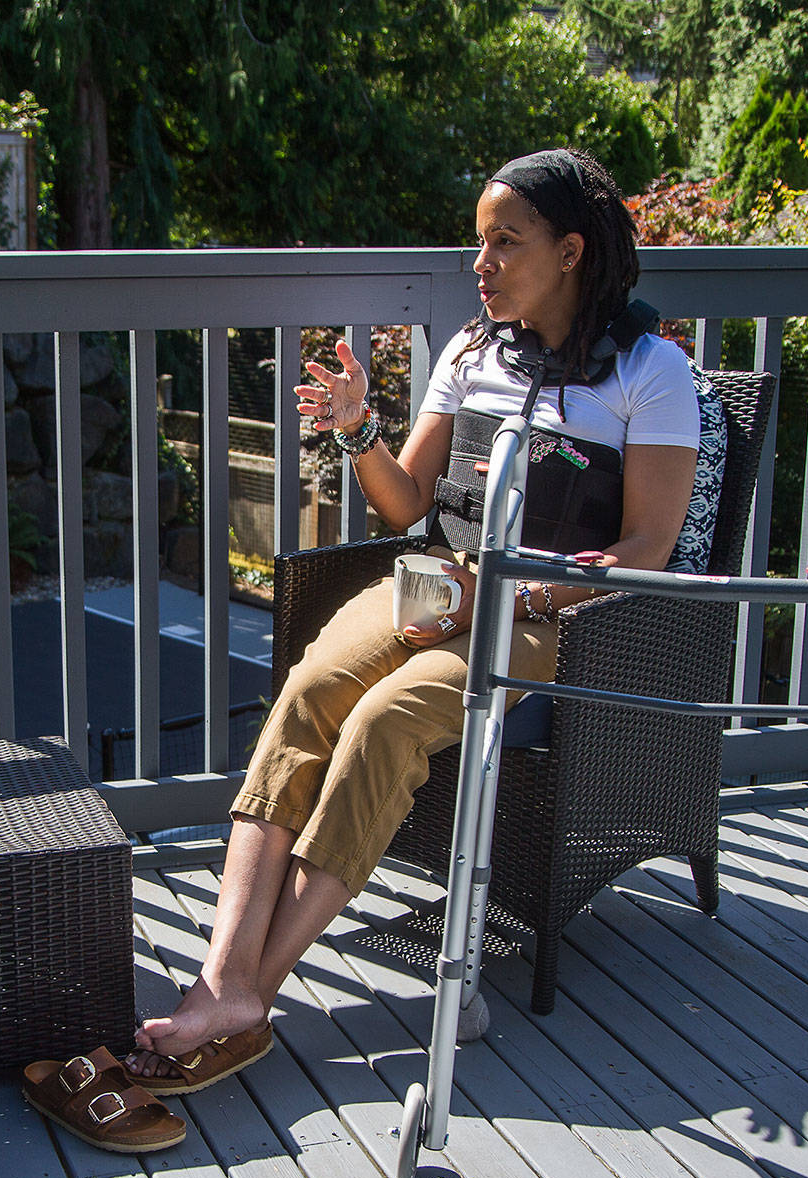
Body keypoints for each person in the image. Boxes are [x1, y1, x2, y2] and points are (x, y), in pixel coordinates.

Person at [128, 148, 703, 1090]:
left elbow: (645, 548)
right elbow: (406, 507)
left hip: (548, 616)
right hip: (440, 577)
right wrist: (360, 430)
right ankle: (222, 977)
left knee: (385, 723)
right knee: (311, 691)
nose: (480, 262)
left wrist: (516, 593)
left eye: (504, 243)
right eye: (478, 241)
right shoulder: (474, 351)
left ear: (570, 251)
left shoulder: (650, 373)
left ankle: (247, 994)